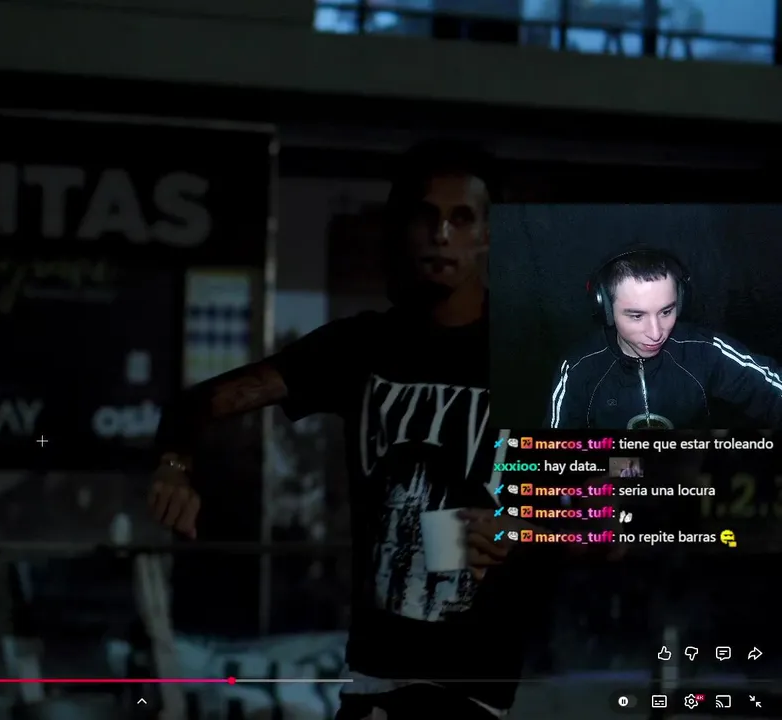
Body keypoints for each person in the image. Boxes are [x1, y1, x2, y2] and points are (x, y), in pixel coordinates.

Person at [148, 141, 542, 719]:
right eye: (426, 217)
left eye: (461, 219)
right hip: (372, 678)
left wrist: (526, 525)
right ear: (404, 230)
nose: (441, 235)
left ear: (486, 234)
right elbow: (200, 402)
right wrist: (174, 465)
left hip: (469, 684)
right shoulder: (360, 347)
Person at [544, 249, 782, 429]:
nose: (656, 333)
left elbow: (773, 390)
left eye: (666, 312)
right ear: (605, 310)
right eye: (637, 316)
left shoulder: (705, 350)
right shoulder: (578, 369)